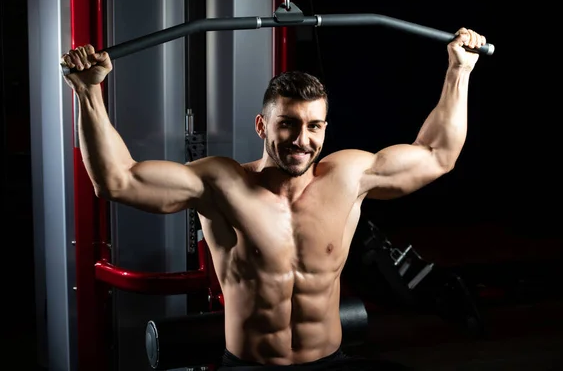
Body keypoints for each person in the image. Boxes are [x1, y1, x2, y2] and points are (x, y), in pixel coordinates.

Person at [61, 27, 486, 370]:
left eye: (315, 126)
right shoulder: (221, 183)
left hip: (328, 361)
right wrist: (88, 92)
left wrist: (459, 71)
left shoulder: (350, 176)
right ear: (262, 126)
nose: (303, 140)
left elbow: (437, 155)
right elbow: (117, 180)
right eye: (288, 125)